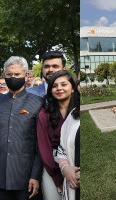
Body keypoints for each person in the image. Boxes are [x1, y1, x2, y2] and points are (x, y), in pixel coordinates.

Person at [0, 56, 43, 200]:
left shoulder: (38, 103)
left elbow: (40, 144)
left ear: (26, 76)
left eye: (17, 74)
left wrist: (35, 176)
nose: (13, 77)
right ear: (4, 75)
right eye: (9, 74)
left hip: (26, 179)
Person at [37, 70, 78, 200]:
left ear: (72, 88)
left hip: (74, 162)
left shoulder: (78, 111)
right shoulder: (44, 114)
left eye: (63, 84)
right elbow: (44, 149)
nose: (59, 88)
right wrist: (57, 179)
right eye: (54, 86)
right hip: (52, 167)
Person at [54, 72, 80, 200]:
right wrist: (66, 169)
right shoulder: (72, 116)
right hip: (72, 181)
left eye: (64, 84)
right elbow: (62, 150)